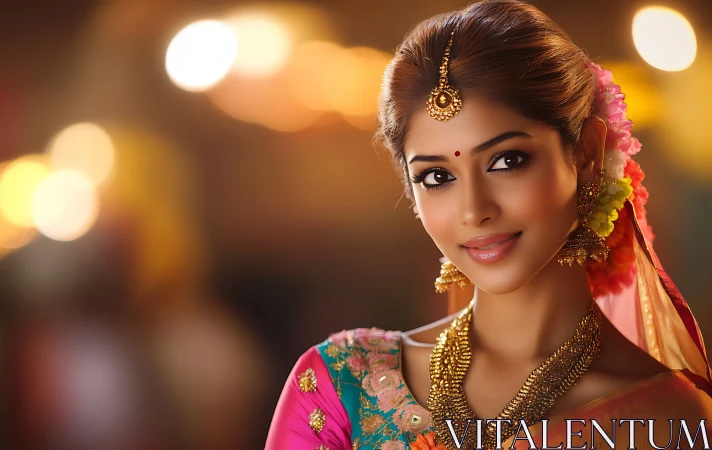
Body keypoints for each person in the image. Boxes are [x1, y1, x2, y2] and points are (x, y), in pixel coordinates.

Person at [266, 1, 712, 448]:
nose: (473, 209)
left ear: (587, 156)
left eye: (507, 161)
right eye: (437, 177)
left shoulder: (668, 419)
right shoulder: (342, 387)